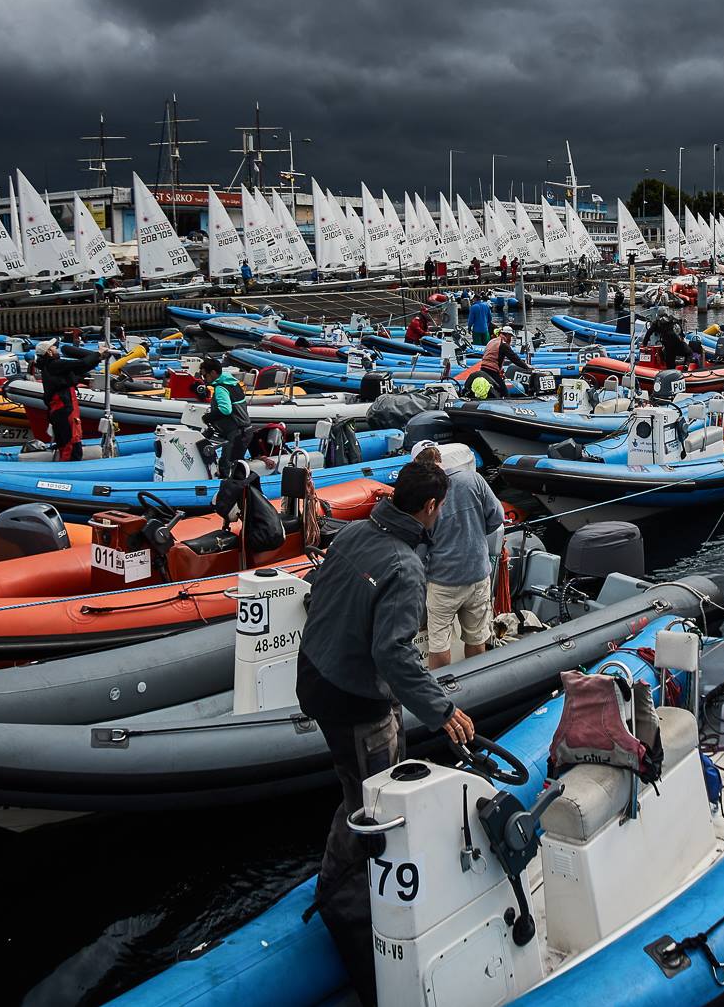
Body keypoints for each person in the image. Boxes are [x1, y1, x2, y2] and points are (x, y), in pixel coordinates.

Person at [297, 458, 474, 1003]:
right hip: (355, 698)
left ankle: (343, 880)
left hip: (317, 677)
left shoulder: (352, 533)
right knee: (370, 798)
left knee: (355, 779)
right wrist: (442, 710)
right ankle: (346, 900)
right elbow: (392, 651)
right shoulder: (405, 566)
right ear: (429, 507)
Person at [415, 444, 503, 669]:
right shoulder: (473, 480)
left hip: (442, 581)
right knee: (476, 638)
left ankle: (441, 695)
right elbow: (497, 516)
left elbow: (421, 546)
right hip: (477, 575)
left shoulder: (423, 495)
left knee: (439, 643)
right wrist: (475, 533)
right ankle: (476, 689)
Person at [33, 340, 100, 461]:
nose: (56, 349)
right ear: (49, 351)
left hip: (60, 409)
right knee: (72, 442)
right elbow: (81, 363)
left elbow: (81, 367)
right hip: (64, 409)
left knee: (65, 442)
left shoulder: (50, 366)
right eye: (53, 347)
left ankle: (66, 463)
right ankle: (71, 468)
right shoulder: (54, 365)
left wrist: (97, 358)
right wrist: (98, 354)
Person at [196, 355, 253, 464]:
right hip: (244, 431)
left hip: (238, 433)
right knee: (232, 461)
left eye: (205, 375)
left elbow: (226, 410)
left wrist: (207, 417)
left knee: (227, 464)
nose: (204, 379)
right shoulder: (232, 382)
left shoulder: (221, 388)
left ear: (213, 373)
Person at [469, 325, 533, 398]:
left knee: (494, 388)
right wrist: (526, 367)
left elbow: (493, 356)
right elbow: (514, 359)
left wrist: (499, 370)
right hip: (491, 370)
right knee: (504, 391)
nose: (511, 339)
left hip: (484, 368)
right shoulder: (503, 344)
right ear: (507, 335)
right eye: (510, 336)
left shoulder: (492, 341)